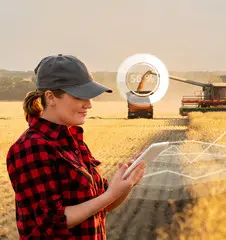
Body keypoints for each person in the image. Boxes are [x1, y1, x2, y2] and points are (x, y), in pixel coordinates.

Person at [6, 54, 146, 239]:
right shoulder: (31, 147)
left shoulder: (72, 141)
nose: (89, 105)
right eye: (80, 96)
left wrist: (128, 183)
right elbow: (52, 222)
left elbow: (105, 203)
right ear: (51, 97)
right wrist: (109, 194)